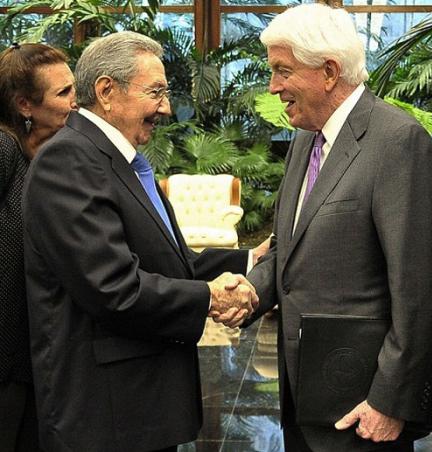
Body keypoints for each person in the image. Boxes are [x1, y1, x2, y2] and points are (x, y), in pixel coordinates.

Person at [22, 31, 258, 452]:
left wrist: (251, 261)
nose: (165, 107)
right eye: (156, 92)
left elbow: (170, 261)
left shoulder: (117, 159)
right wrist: (209, 297)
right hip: (106, 414)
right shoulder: (69, 160)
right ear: (107, 91)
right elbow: (114, 288)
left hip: (137, 406)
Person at [238, 4, 432, 451]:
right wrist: (251, 292)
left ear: (329, 71)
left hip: (363, 404)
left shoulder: (397, 142)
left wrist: (390, 400)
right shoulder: (304, 141)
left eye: (282, 71)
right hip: (304, 396)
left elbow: (419, 288)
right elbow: (288, 247)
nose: (273, 86)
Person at [0, 42, 76, 452]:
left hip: (28, 352)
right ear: (25, 104)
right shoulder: (4, 147)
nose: (75, 101)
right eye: (63, 93)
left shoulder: (41, 155)